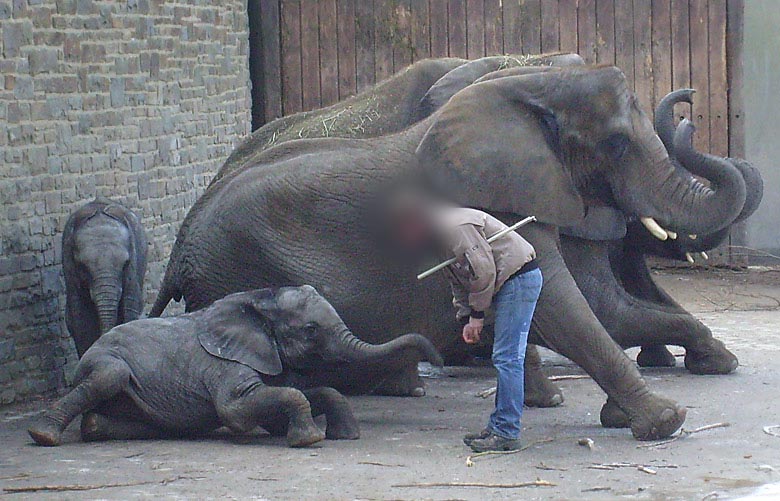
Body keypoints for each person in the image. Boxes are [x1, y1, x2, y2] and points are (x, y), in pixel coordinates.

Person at [435, 207, 542, 452]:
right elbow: (458, 278)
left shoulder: (456, 227)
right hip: (510, 282)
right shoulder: (438, 238)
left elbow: (483, 271)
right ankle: (499, 426)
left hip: (518, 279)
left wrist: (477, 315)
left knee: (508, 357)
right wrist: (465, 317)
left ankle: (507, 433)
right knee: (507, 357)